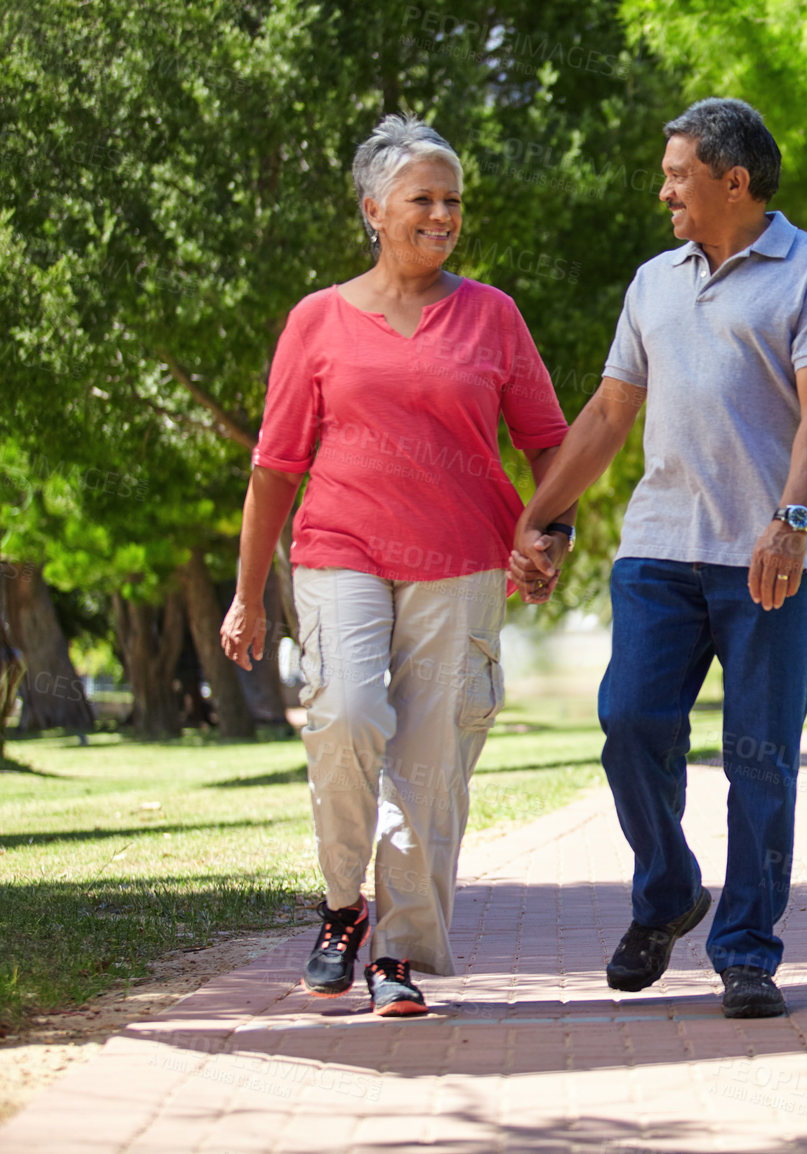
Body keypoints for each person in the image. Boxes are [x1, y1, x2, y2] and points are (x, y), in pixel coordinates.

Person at [221, 112, 575, 1016]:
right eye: (425, 198)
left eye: (454, 200)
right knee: (343, 713)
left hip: (460, 562)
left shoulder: (492, 315)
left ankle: (401, 956)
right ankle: (343, 907)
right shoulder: (318, 320)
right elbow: (273, 469)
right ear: (374, 209)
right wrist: (245, 597)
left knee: (428, 760)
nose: (444, 214)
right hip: (340, 549)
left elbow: (550, 443)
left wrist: (549, 532)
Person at [513, 97, 807, 1019]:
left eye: (676, 173)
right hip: (659, 550)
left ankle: (747, 951)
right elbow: (605, 416)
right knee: (629, 723)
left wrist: (793, 519)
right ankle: (668, 897)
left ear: (731, 180)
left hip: (769, 560)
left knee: (761, 761)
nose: (663, 188)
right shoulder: (653, 281)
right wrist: (538, 518)